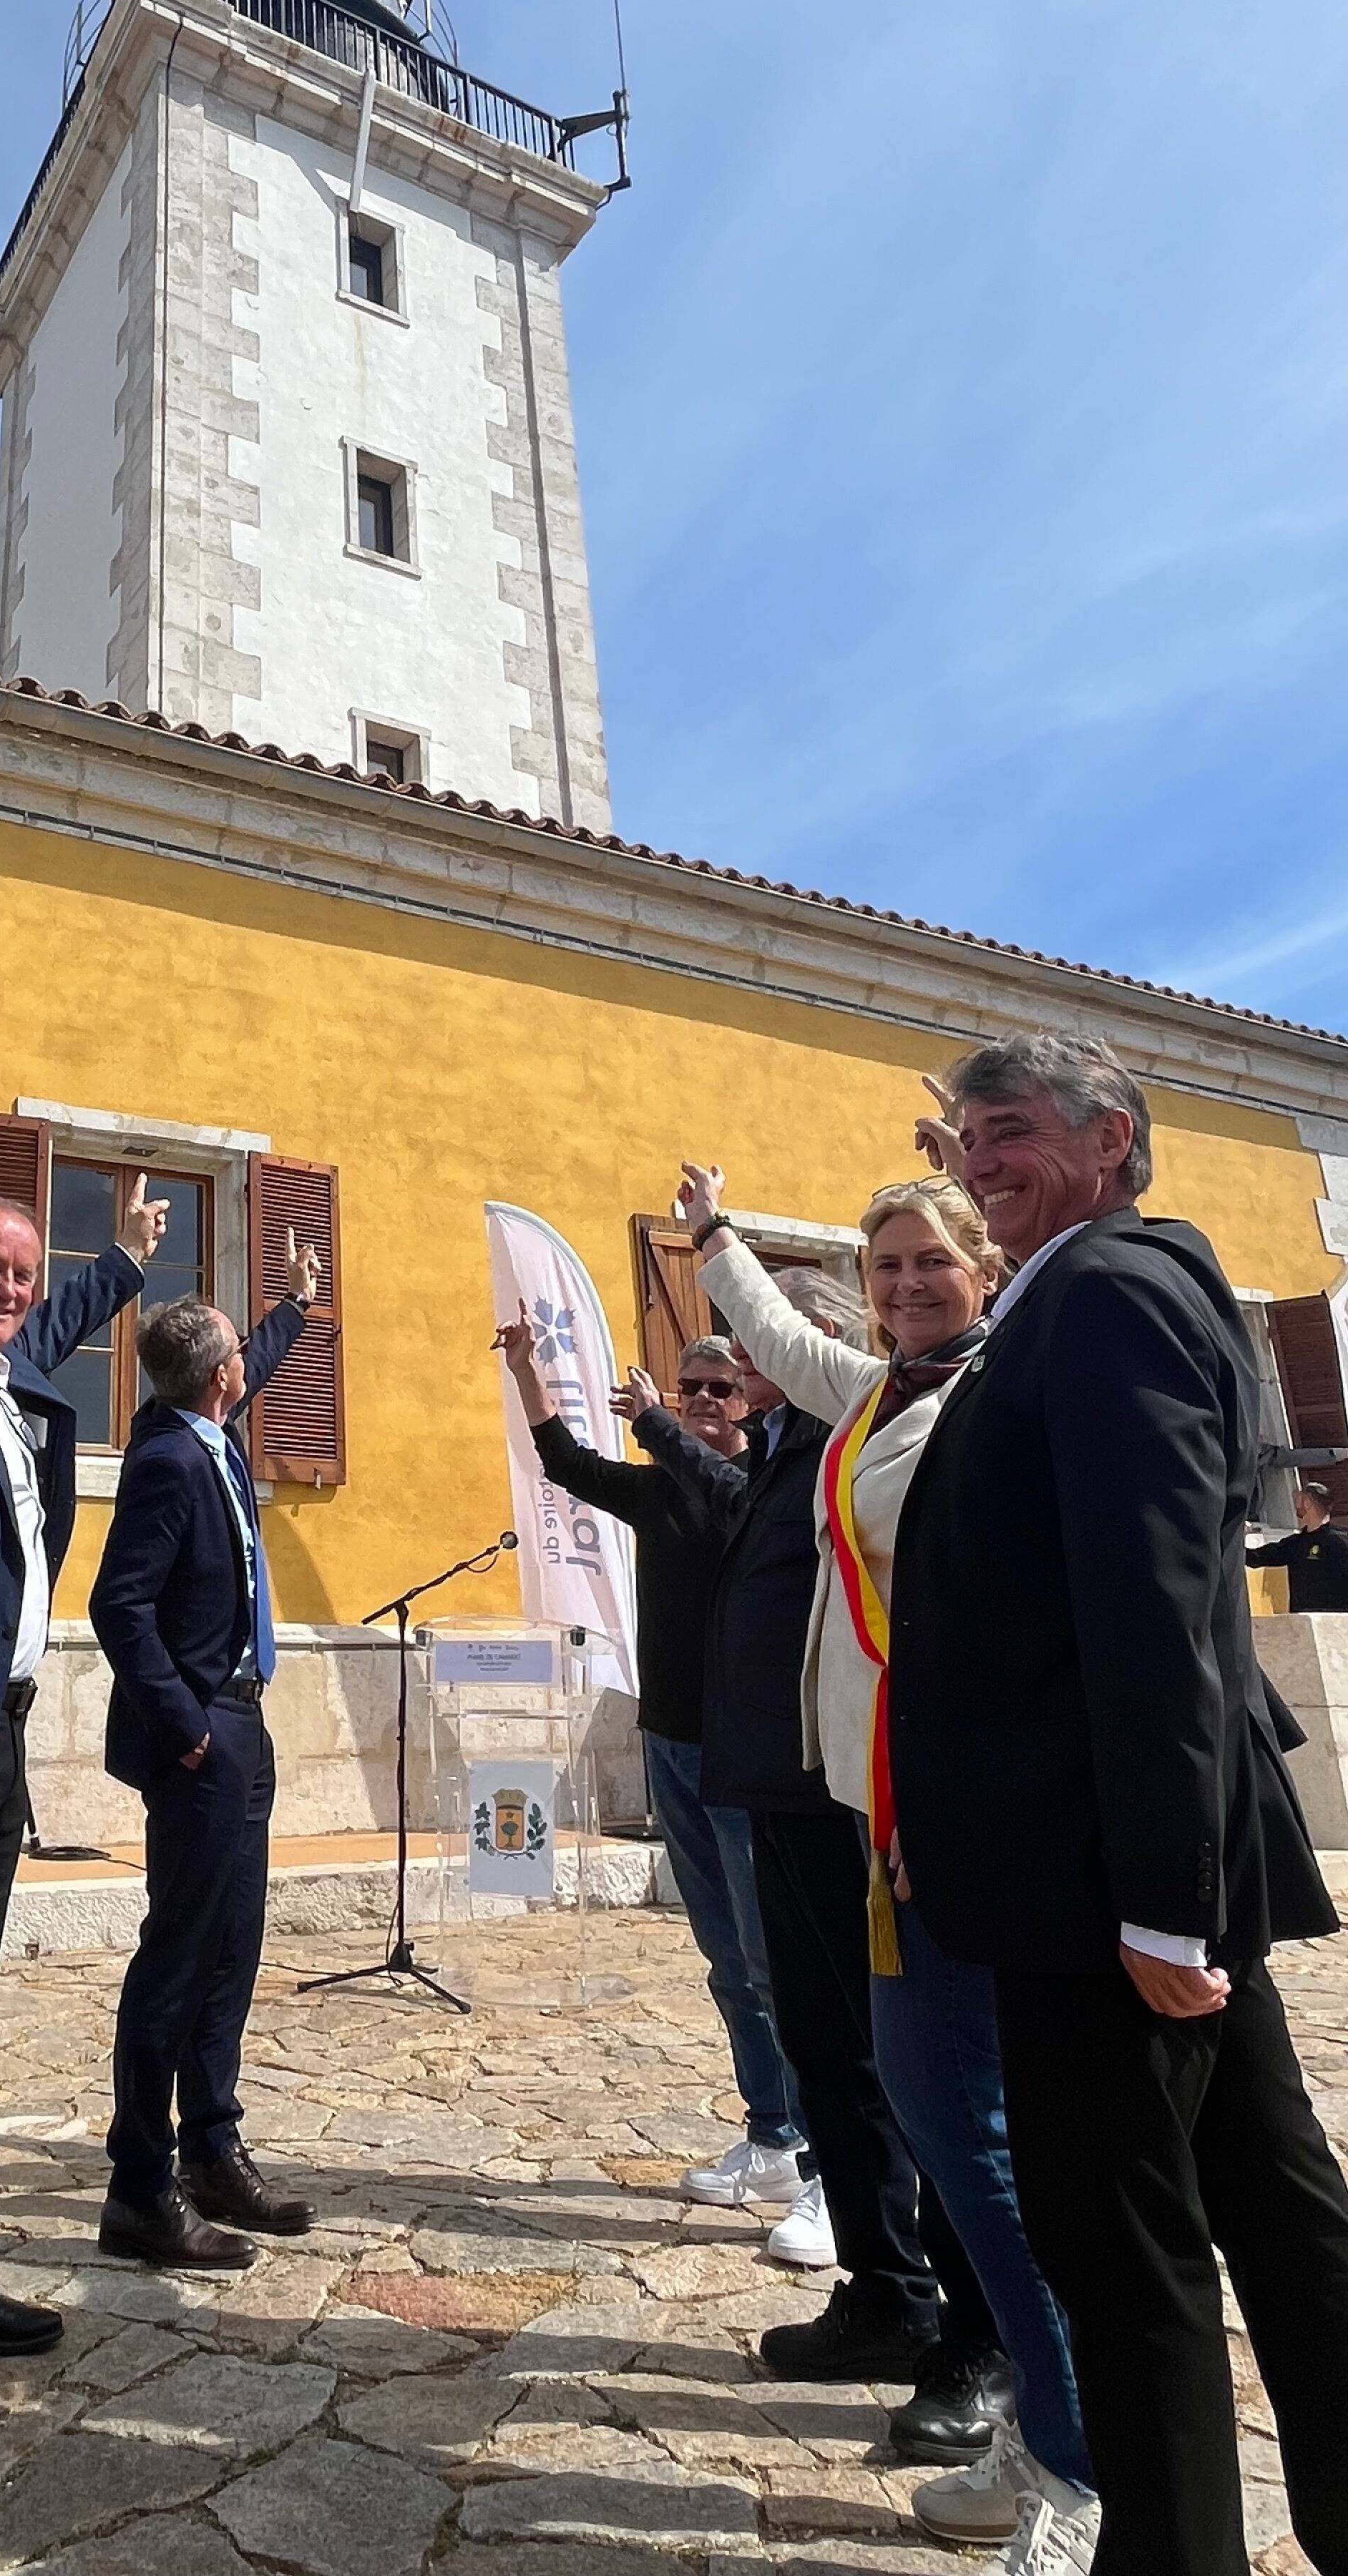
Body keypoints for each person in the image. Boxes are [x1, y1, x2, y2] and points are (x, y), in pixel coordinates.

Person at [894, 1032, 1348, 2576]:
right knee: (1280, 2220)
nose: (981, 1161)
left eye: (1010, 1130)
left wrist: (1165, 1896)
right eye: (966, 1138)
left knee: (1127, 2258)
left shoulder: (1105, 1293)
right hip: (1125, 1861)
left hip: (1101, 1883)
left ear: (1115, 1140)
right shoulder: (1083, 1295)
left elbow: (1156, 1605)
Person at [0, 1190, 318, 2393]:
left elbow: (68, 1323)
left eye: (23, 1274)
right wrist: (187, 1727)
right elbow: (117, 1602)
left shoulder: (0, 1373)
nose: (8, 1289)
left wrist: (128, 1261)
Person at [680, 1159, 1093, 2566]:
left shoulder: (1002, 1388)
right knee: (945, 2129)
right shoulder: (881, 1394)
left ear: (988, 1269)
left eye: (937, 1263)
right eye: (888, 1270)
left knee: (985, 2146)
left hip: (968, 1825)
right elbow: (789, 1350)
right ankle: (1041, 2442)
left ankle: (1076, 2469)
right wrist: (714, 1239)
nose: (911, 1287)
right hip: (879, 1822)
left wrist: (1035, 1199)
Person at [632, 1255, 1002, 2459]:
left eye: (755, 1343)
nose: (736, 1364)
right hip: (774, 1789)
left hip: (857, 1795)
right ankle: (885, 2294)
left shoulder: (884, 1427)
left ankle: (979, 2338)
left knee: (920, 2077)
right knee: (829, 2063)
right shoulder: (799, 1448)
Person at [492, 1311, 806, 2209]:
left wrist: (657, 1427)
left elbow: (724, 1499)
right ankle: (771, 2133)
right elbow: (565, 1462)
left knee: (772, 1958)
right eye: (691, 1389)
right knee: (722, 1957)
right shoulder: (659, 1489)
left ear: (750, 1396)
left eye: (722, 1386)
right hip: (672, 1740)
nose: (706, 1400)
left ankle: (827, 2154)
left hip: (754, 1755)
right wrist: (526, 1371)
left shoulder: (761, 1482)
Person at [89, 1291, 323, 2266]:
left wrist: (294, 1310)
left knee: (232, 1947)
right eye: (240, 1358)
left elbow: (250, 1359)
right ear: (219, 1378)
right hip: (202, 1733)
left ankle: (212, 2149)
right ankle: (140, 2186)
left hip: (242, 1718)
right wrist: (183, 1727)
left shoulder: (210, 1429)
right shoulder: (166, 1460)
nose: (247, 1367)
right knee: (178, 1958)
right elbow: (119, 1605)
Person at [1248, 1476, 1348, 1610]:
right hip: (1303, 1624)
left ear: (1307, 1503)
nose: (1296, 1506)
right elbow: (1258, 1557)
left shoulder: (1341, 1540)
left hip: (1336, 1624)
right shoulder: (1295, 1544)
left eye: (1298, 1500)